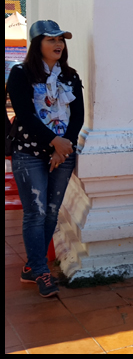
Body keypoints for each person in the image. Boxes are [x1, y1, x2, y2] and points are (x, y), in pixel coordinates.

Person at [6, 20, 84, 297]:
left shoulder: (71, 76)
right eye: (51, 40)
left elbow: (78, 117)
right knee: (35, 213)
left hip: (62, 152)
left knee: (51, 212)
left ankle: (32, 267)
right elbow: (25, 116)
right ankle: (40, 270)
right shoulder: (21, 74)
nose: (58, 44)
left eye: (61, 39)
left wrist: (63, 147)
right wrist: (53, 142)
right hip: (29, 153)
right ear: (37, 44)